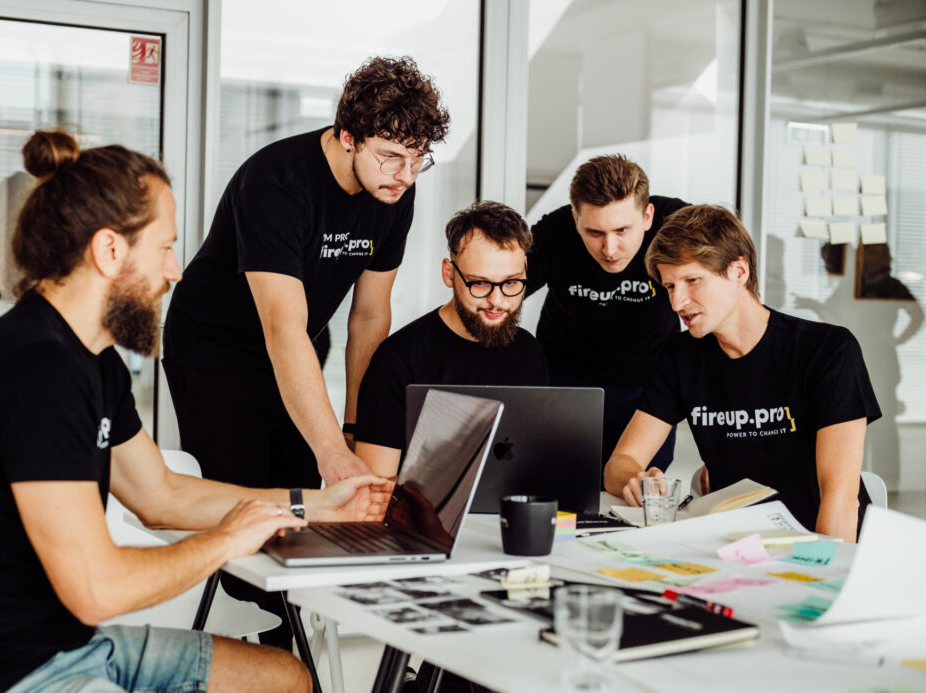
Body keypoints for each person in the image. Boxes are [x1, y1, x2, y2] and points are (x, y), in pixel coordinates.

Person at [0, 130, 393, 693]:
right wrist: (226, 540)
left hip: (67, 645)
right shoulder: (36, 369)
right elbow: (96, 590)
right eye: (164, 249)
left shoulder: (94, 361)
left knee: (285, 678)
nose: (175, 272)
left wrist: (317, 505)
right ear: (110, 251)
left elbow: (162, 496)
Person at [162, 55, 449, 645]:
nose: (405, 175)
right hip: (215, 350)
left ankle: (291, 650)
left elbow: (369, 315)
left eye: (418, 158)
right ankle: (255, 642)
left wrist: (354, 427)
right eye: (390, 156)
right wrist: (330, 450)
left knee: (313, 509)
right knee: (252, 507)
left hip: (297, 347)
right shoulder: (277, 182)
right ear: (348, 137)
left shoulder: (395, 191)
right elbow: (281, 328)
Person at [603, 205, 880, 541]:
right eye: (670, 287)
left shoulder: (827, 350)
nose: (677, 303)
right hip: (737, 545)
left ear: (739, 271)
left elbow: (840, 497)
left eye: (692, 281)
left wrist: (822, 569)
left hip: (820, 543)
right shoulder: (679, 356)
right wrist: (635, 479)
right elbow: (620, 463)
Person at [353, 201, 548, 478]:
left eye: (511, 283)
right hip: (420, 508)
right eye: (480, 283)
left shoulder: (529, 352)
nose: (497, 300)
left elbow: (537, 460)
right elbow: (375, 485)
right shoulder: (397, 360)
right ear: (449, 273)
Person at [527, 155, 688, 471]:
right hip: (565, 382)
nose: (610, 249)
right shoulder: (553, 233)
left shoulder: (679, 226)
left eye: (622, 230)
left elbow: (724, 299)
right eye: (595, 233)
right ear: (576, 220)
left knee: (637, 490)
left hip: (649, 388)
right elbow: (499, 292)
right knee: (560, 484)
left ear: (648, 216)